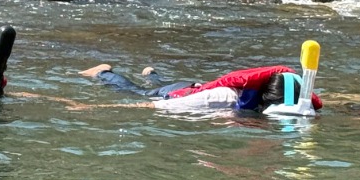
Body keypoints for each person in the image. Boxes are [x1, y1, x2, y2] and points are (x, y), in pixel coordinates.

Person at [80, 63, 322, 113]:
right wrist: (93, 106)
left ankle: (151, 73)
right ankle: (102, 71)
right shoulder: (223, 98)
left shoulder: (300, 102)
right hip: (181, 93)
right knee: (137, 91)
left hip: (191, 85)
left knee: (160, 84)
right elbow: (155, 105)